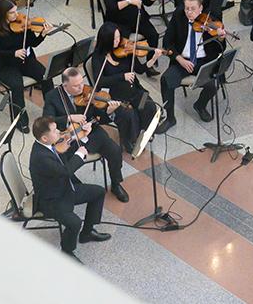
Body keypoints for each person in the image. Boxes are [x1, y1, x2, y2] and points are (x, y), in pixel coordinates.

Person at [28, 116, 111, 261]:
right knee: (75, 223)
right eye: (55, 131)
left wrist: (83, 137)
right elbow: (65, 171)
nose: (59, 132)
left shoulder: (49, 145)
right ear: (44, 138)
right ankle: (67, 251)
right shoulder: (41, 157)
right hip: (52, 200)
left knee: (98, 192)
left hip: (65, 189)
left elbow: (65, 156)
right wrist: (80, 154)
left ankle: (87, 232)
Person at [42, 68, 130, 203]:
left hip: (92, 132)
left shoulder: (88, 93)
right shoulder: (52, 96)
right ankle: (73, 186)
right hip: (68, 137)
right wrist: (70, 118)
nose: (81, 88)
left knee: (115, 150)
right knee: (60, 161)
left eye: (82, 83)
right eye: (76, 86)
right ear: (65, 85)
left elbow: (100, 117)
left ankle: (116, 184)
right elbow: (47, 120)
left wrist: (109, 112)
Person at [157, 0, 226, 133]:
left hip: (203, 61)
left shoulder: (210, 21)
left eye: (193, 9)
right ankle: (170, 118)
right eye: (187, 8)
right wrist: (179, 59)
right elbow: (167, 42)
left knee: (213, 85)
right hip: (182, 61)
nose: (189, 12)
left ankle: (200, 105)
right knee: (165, 80)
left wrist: (220, 38)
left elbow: (220, 49)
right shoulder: (178, 17)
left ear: (200, 8)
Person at [89, 22, 160, 145]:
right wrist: (122, 76)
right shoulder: (98, 57)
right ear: (106, 40)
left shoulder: (126, 50)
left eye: (118, 37)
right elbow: (99, 81)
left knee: (149, 106)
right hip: (116, 97)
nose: (118, 41)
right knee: (129, 115)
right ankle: (130, 141)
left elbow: (140, 69)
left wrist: (153, 58)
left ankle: (144, 131)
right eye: (114, 39)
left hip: (135, 90)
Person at [0, 0, 53, 132]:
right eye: (12, 13)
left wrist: (42, 35)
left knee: (46, 76)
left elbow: (33, 43)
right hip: (4, 66)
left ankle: (50, 113)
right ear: (3, 14)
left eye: (16, 11)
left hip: (25, 61)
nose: (16, 15)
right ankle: (21, 121)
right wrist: (13, 53)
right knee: (17, 86)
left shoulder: (24, 23)